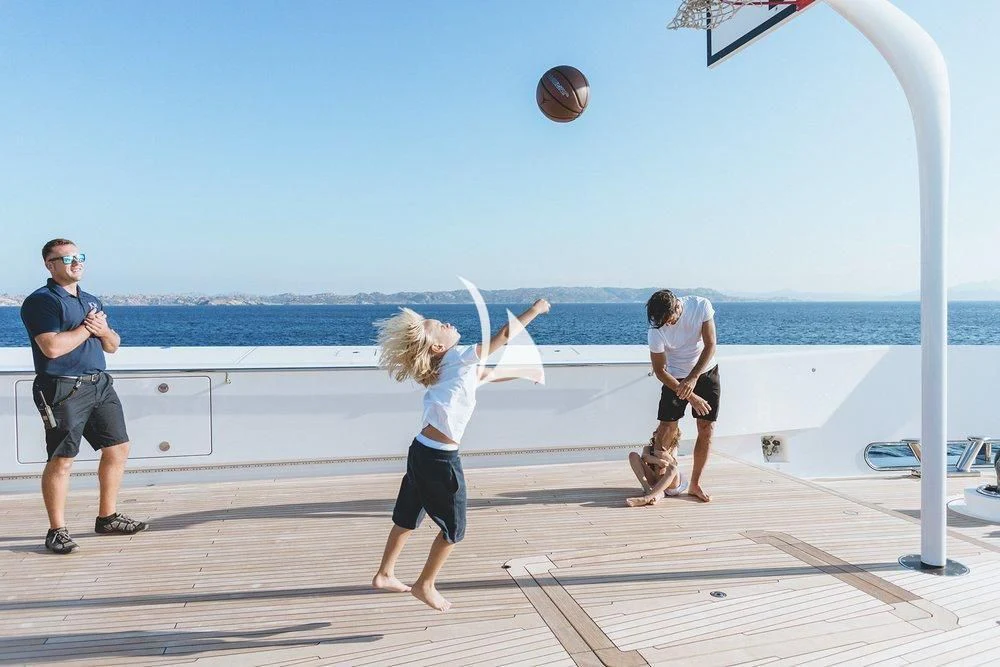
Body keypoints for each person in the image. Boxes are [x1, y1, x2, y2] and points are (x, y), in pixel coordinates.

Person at [370, 299, 550, 611]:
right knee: (453, 529)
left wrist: (521, 372)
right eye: (441, 326)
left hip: (421, 451)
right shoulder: (461, 356)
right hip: (440, 459)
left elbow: (483, 377)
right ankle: (425, 584)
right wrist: (535, 309)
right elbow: (505, 334)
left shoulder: (449, 365)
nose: (448, 324)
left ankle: (385, 573)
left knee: (407, 517)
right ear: (439, 346)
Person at [20, 239, 148, 555]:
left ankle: (107, 517)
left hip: (99, 384)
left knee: (118, 447)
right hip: (62, 388)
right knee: (63, 458)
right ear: (49, 264)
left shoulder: (91, 301)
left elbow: (113, 344)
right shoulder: (42, 302)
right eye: (67, 258)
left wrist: (101, 330)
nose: (76, 262)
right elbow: (51, 347)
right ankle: (57, 530)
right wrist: (88, 330)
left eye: (80, 256)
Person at [646, 289, 720, 502]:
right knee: (667, 428)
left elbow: (710, 344)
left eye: (668, 320)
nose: (665, 325)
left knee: (706, 428)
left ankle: (695, 484)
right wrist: (690, 395)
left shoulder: (700, 306)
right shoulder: (655, 330)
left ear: (678, 307)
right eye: (661, 322)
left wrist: (694, 378)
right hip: (674, 377)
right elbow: (660, 371)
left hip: (706, 372)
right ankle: (662, 482)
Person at [626, 427, 688, 507]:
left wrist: (665, 456)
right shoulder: (648, 448)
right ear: (654, 434)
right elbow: (645, 457)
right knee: (633, 455)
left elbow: (674, 463)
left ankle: (648, 498)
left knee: (673, 468)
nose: (663, 438)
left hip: (670, 483)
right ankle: (650, 492)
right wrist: (658, 461)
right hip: (654, 480)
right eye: (659, 434)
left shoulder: (673, 449)